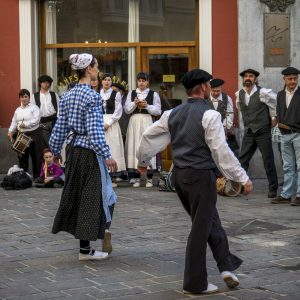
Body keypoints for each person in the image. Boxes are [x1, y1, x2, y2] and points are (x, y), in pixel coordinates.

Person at [137, 69, 253, 294]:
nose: (210, 87)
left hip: (179, 176)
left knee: (210, 221)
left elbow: (148, 136)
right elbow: (221, 151)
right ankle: (195, 283)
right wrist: (242, 177)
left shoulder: (173, 113)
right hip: (200, 176)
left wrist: (143, 160)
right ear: (203, 88)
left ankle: (226, 267)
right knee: (201, 228)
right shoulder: (210, 115)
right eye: (209, 84)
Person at [49, 53, 118, 260]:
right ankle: (88, 249)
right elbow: (95, 130)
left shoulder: (68, 96)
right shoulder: (92, 96)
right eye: (96, 66)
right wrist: (107, 154)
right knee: (95, 197)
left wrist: (54, 150)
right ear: (88, 69)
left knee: (81, 197)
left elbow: (60, 127)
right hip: (89, 153)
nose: (98, 69)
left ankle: (86, 248)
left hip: (74, 151)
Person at [236, 69, 278, 198]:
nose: (248, 78)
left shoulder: (263, 93)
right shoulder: (239, 94)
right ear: (243, 79)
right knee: (242, 159)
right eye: (246, 76)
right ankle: (239, 186)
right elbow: (240, 108)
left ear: (255, 79)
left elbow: (275, 103)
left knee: (268, 160)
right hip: (249, 131)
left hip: (262, 131)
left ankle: (273, 189)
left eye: (251, 76)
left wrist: (273, 118)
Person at [124, 72, 161, 188]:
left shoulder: (153, 94)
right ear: (137, 81)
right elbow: (127, 110)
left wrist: (147, 106)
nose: (141, 83)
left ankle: (149, 177)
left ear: (147, 82)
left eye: (143, 81)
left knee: (147, 146)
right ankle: (135, 176)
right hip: (134, 121)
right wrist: (134, 103)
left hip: (147, 121)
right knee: (134, 145)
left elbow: (158, 111)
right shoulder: (132, 93)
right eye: (139, 80)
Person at [272, 67, 300, 206]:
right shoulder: (280, 95)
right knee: (288, 166)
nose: (292, 81)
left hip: (298, 134)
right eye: (290, 79)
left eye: (295, 78)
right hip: (284, 135)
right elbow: (278, 110)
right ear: (284, 79)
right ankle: (286, 194)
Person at [8, 89, 45, 179]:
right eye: (22, 97)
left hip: (34, 134)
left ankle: (37, 177)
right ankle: (24, 176)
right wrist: (10, 131)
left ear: (29, 97)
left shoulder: (34, 107)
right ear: (19, 98)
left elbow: (36, 120)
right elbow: (14, 121)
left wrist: (26, 124)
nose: (24, 99)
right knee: (22, 157)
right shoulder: (18, 110)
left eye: (26, 96)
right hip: (22, 134)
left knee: (36, 156)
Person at [100, 74, 127, 187]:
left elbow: (118, 111)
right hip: (100, 121)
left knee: (113, 147)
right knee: (102, 146)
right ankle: (102, 176)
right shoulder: (97, 94)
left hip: (112, 123)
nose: (107, 82)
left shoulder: (116, 94)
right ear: (101, 82)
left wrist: (109, 123)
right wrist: (100, 123)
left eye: (109, 80)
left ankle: (113, 177)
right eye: (105, 80)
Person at [208, 78, 239, 155]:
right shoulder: (205, 99)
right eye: (213, 91)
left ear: (221, 88)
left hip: (223, 132)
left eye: (218, 91)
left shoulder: (227, 98)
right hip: (209, 132)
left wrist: (224, 128)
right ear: (210, 89)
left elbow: (230, 115)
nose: (215, 93)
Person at [30, 75, 60, 146]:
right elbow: (32, 111)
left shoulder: (54, 94)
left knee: (56, 143)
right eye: (44, 82)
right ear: (40, 83)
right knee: (47, 144)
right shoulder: (34, 96)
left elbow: (59, 108)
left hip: (54, 121)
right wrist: (37, 123)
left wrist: (58, 120)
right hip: (42, 123)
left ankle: (56, 156)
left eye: (48, 82)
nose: (46, 84)